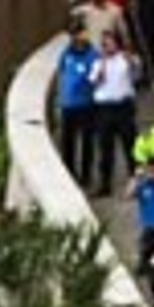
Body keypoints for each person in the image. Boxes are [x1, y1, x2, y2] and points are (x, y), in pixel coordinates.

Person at [87, 31, 139, 197]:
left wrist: (130, 59)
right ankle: (104, 184)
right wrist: (103, 62)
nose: (106, 47)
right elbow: (95, 82)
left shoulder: (125, 59)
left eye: (109, 43)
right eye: (104, 44)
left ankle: (135, 181)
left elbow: (136, 75)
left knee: (130, 145)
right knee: (105, 147)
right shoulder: (97, 63)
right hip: (104, 109)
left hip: (123, 106)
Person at [55, 21, 101, 187]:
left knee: (87, 142)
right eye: (74, 34)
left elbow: (95, 79)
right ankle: (69, 173)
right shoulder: (67, 53)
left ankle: (86, 176)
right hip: (68, 105)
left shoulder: (93, 55)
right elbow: (61, 73)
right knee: (68, 142)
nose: (77, 37)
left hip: (86, 104)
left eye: (79, 33)